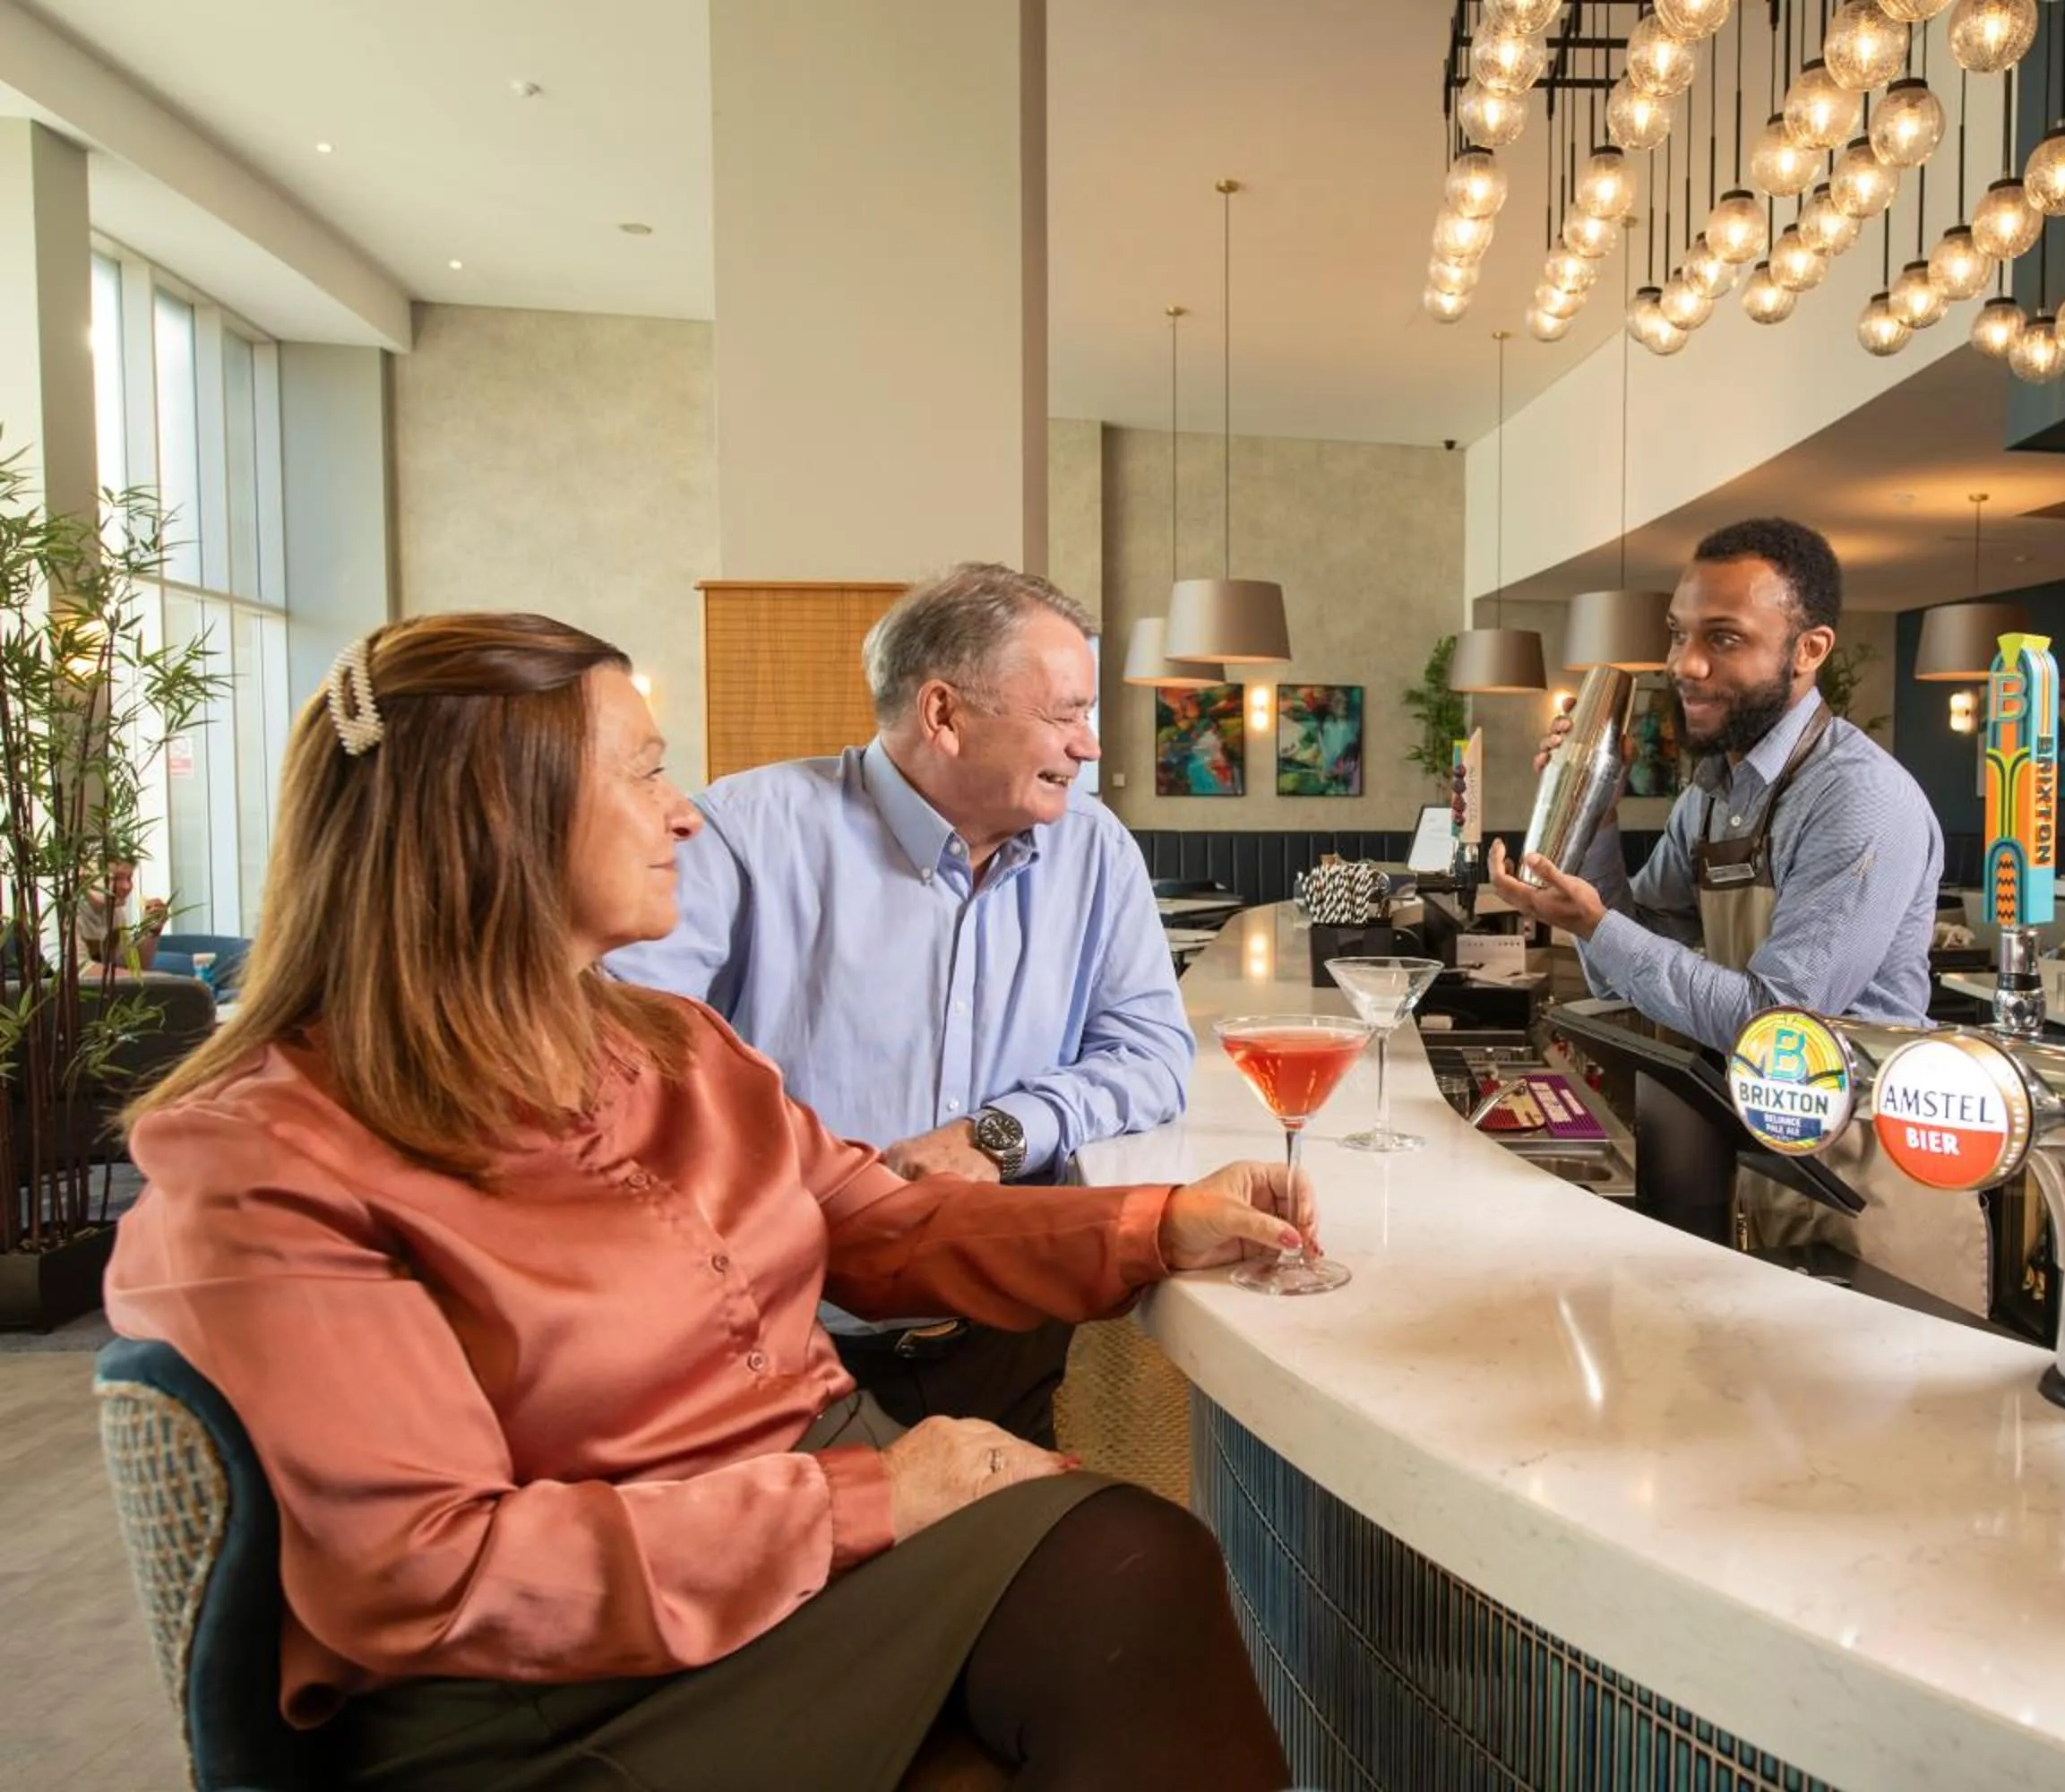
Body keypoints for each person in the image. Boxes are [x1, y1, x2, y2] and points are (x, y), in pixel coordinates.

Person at [106, 614, 1295, 1791]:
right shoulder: (263, 1159)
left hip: (809, 1545)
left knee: (1124, 1576)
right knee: (1127, 1571)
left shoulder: (671, 1041)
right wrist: (879, 1494)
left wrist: (1156, 1223)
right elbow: (428, 1570)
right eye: (643, 772)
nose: (683, 812)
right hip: (561, 1685)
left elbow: (878, 1223)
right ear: (494, 815)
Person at [607, 564, 1189, 1448]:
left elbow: (1151, 1054)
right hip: (785, 1338)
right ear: (944, 714)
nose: (1089, 745)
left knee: (1021, 1531)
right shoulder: (742, 833)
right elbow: (616, 1052)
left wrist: (1000, 1133)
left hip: (1006, 1324)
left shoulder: (1094, 848)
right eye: (1066, 713)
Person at [1486, 518, 1977, 1311]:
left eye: (1723, 638)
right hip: (1758, 1154)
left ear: (1809, 649)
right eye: (1679, 634)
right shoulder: (1713, 795)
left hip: (1866, 1183)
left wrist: (1595, 926)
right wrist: (1599, 817)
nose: (1685, 664)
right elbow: (1630, 959)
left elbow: (1779, 1027)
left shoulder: (1859, 800)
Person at [78, 857, 168, 969]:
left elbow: (134, 967)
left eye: (129, 878)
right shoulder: (65, 912)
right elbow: (79, 972)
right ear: (83, 879)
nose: (127, 886)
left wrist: (151, 930)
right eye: (116, 878)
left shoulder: (116, 913)